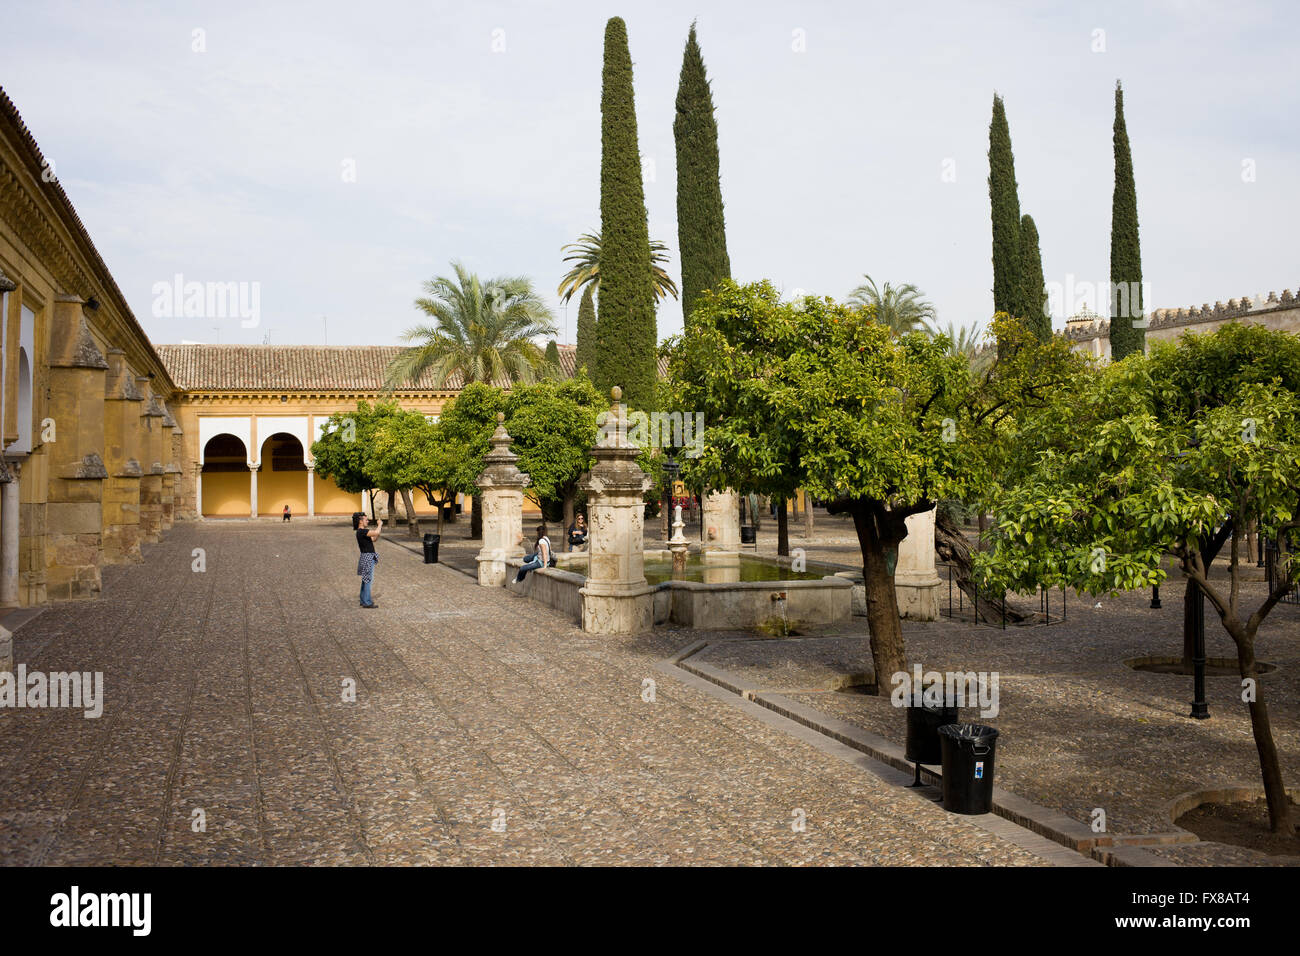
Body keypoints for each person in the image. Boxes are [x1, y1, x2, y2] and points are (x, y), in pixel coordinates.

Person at [353, 511, 381, 608]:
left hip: (367, 557)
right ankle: (367, 602)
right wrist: (380, 525)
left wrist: (378, 532)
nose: (367, 521)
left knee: (365, 579)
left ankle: (363, 600)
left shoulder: (362, 532)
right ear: (360, 521)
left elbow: (373, 539)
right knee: (368, 580)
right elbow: (376, 532)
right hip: (368, 558)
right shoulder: (362, 531)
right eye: (366, 519)